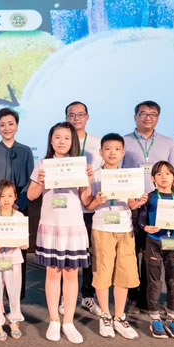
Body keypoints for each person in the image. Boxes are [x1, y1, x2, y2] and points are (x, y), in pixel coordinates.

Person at [27, 122, 90, 344]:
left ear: (73, 141)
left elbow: (86, 200)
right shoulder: (43, 164)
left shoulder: (79, 165)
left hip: (73, 226)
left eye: (66, 138)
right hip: (51, 226)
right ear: (51, 140)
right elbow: (31, 195)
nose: (62, 141)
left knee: (71, 274)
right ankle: (54, 320)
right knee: (52, 273)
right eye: (57, 137)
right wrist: (40, 182)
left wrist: (88, 181)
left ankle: (69, 321)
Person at [81, 133, 146, 340]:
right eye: (107, 149)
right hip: (102, 229)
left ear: (123, 153)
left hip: (125, 229)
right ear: (101, 152)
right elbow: (87, 205)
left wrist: (138, 202)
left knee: (124, 273)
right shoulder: (95, 175)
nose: (112, 153)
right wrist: (97, 201)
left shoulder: (128, 176)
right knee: (102, 272)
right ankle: (105, 315)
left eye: (117, 149)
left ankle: (119, 316)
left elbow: (131, 204)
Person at [123, 101, 174, 312]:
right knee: (131, 253)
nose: (148, 117)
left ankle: (147, 299)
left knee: (151, 254)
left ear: (158, 118)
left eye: (153, 114)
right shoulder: (123, 141)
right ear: (135, 116)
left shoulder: (168, 143)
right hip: (132, 205)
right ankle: (131, 295)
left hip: (159, 207)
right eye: (143, 113)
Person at [0, 108, 33, 300]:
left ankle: (15, 296)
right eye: (2, 125)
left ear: (17, 126)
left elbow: (31, 180)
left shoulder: (26, 150)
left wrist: (18, 204)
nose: (7, 128)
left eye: (11, 124)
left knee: (17, 250)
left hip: (18, 204)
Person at [137, 161, 174, 339]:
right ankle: (155, 318)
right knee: (154, 283)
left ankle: (172, 318)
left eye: (167, 174)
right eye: (159, 174)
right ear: (153, 178)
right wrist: (145, 227)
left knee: (173, 282)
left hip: (172, 244)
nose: (164, 177)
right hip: (154, 243)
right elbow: (141, 218)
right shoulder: (149, 197)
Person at [65, 101, 102, 316]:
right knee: (67, 253)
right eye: (72, 115)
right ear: (66, 118)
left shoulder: (97, 143)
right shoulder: (62, 141)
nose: (76, 118)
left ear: (87, 117)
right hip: (68, 207)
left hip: (91, 206)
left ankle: (88, 295)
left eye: (80, 114)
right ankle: (65, 296)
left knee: (90, 254)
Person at [0, 181, 26, 342]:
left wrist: (23, 244)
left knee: (14, 291)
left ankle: (14, 321)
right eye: (2, 196)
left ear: (15, 197)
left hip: (14, 259)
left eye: (10, 196)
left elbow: (23, 238)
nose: (6, 199)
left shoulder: (19, 217)